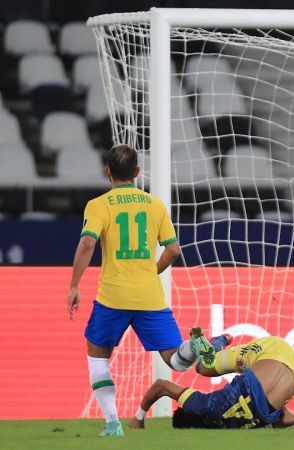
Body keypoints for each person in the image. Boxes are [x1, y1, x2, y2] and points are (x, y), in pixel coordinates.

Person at [66, 144, 217, 437]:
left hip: (113, 297)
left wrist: (73, 285)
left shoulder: (98, 205)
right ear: (137, 172)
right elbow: (173, 249)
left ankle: (112, 423)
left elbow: (87, 244)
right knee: (175, 360)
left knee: (98, 358)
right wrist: (152, 271)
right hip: (150, 296)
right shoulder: (155, 204)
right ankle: (193, 346)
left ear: (107, 170)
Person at [129, 333, 294, 430]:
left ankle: (216, 343)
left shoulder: (203, 407)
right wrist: (139, 417)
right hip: (273, 365)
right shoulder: (207, 407)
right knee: (203, 369)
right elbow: (161, 387)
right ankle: (216, 344)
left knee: (203, 367)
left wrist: (138, 418)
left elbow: (290, 419)